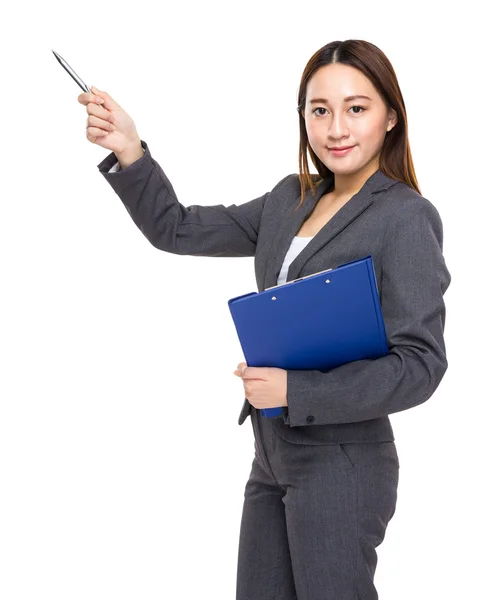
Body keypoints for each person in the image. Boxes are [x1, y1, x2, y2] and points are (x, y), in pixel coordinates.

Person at [78, 39, 450, 600]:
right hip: (272, 453)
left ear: (391, 116)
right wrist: (130, 148)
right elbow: (176, 229)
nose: (335, 128)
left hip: (342, 463)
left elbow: (421, 366)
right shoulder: (289, 199)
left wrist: (293, 389)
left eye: (357, 107)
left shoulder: (404, 217)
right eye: (319, 110)